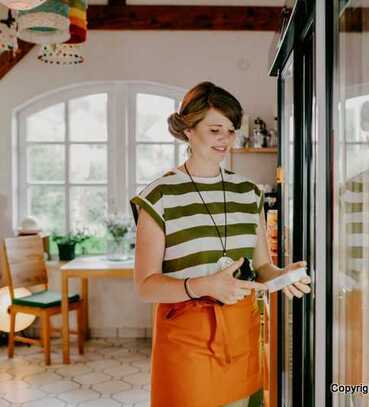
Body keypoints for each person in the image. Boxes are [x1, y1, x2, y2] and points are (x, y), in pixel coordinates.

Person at [129, 81, 311, 407]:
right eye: (215, 129)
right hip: (187, 342)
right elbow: (146, 287)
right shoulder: (159, 196)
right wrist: (205, 285)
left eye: (230, 130)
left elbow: (261, 268)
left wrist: (283, 276)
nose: (225, 139)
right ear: (188, 131)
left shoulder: (249, 193)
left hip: (241, 333)